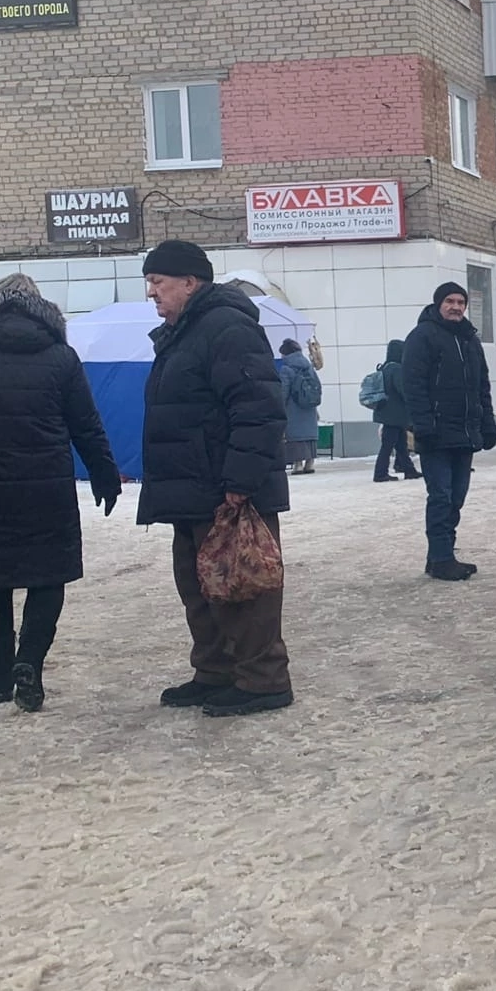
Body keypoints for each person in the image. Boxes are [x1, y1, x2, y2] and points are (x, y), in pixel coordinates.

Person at [0, 274, 122, 712]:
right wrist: (105, 474)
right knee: (48, 577)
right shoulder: (60, 356)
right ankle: (30, 662)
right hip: (46, 486)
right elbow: (86, 424)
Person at [137, 240, 293, 716]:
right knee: (200, 585)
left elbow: (258, 405)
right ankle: (216, 671)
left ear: (190, 282)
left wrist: (241, 481)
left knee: (243, 585)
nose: (151, 293)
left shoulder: (225, 326)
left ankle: (263, 680)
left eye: (158, 283)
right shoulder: (185, 330)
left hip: (226, 488)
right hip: (193, 487)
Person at [403, 281, 496, 581]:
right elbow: (413, 385)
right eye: (450, 301)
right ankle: (443, 558)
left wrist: (487, 424)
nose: (456, 307)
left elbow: (481, 387)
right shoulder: (422, 337)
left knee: (457, 496)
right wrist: (424, 425)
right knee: (441, 496)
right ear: (438, 304)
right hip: (435, 434)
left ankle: (439, 555)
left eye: (461, 302)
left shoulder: (470, 339)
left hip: (465, 433)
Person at [370, 338, 420, 482]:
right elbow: (403, 390)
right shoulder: (396, 369)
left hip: (387, 413)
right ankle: (380, 473)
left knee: (401, 444)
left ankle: (409, 470)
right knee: (388, 446)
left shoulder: (385, 367)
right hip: (394, 415)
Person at [277, 338, 322, 474]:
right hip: (309, 407)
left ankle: (298, 465)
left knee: (295, 436)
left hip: (293, 408)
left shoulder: (286, 369)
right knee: (309, 435)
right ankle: (310, 463)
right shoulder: (308, 366)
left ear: (285, 354)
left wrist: (280, 406)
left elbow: (283, 391)